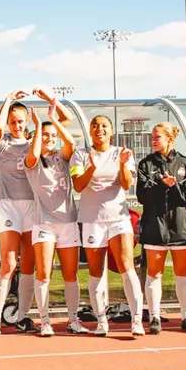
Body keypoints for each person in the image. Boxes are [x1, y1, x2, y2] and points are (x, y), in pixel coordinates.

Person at [73, 113, 144, 337]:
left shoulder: (122, 154)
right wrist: (91, 169)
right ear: (90, 131)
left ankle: (136, 319)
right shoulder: (80, 155)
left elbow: (126, 183)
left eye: (104, 126)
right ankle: (101, 320)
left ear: (111, 131)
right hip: (92, 220)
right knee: (96, 272)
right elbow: (77, 185)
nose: (99, 129)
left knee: (126, 265)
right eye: (95, 126)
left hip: (119, 218)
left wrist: (123, 164)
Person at [135, 121, 186, 333]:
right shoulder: (145, 164)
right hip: (155, 226)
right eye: (152, 137)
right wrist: (162, 185)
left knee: (183, 274)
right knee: (154, 273)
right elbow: (142, 196)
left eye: (157, 137)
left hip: (181, 227)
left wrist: (175, 187)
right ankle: (154, 317)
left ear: (170, 138)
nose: (153, 140)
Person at [0, 89, 44, 334]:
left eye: (21, 121)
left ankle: (22, 316)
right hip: (8, 205)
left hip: (32, 207)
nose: (17, 125)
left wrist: (45, 116)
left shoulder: (34, 144)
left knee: (29, 265)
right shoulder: (1, 144)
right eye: (13, 121)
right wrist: (8, 100)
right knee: (9, 263)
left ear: (27, 122)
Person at [27, 105, 84, 335]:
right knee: (43, 273)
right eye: (45, 136)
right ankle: (45, 321)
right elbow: (33, 154)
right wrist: (39, 125)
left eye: (53, 136)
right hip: (44, 223)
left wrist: (53, 120)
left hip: (68, 221)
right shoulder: (31, 160)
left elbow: (70, 143)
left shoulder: (63, 157)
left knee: (71, 273)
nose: (50, 139)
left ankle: (73, 319)